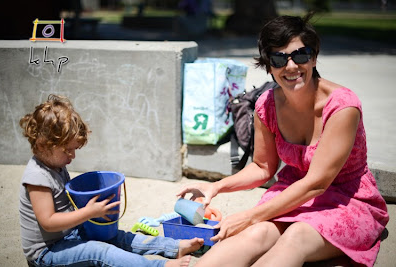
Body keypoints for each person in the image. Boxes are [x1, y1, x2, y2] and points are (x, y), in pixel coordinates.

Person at [177, 14, 389, 267]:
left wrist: (250, 216)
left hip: (348, 200)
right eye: (278, 58)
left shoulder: (342, 107)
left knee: (295, 237)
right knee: (256, 234)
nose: (290, 67)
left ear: (313, 57)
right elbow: (263, 167)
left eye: (300, 55)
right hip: (291, 193)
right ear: (268, 65)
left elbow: (316, 184)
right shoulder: (266, 105)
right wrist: (216, 187)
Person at [19, 94, 203, 267]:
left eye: (74, 149)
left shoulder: (55, 164)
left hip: (70, 234)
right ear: (43, 145)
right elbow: (48, 221)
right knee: (100, 251)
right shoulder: (37, 177)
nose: (73, 155)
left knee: (114, 235)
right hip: (47, 253)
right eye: (68, 150)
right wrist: (88, 213)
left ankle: (173, 248)